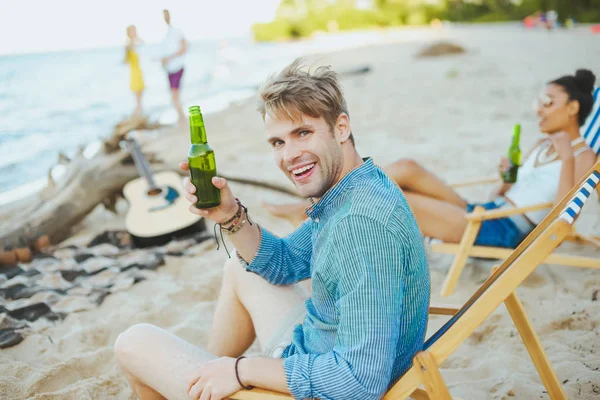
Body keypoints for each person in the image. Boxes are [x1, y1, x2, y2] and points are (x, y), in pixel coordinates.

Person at [114, 60, 430, 400]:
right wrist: (230, 215)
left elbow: (358, 382)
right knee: (238, 265)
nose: (290, 155)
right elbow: (286, 263)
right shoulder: (355, 190)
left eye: (303, 133)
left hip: (324, 382)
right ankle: (206, 381)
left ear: (341, 128)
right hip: (316, 348)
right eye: (278, 143)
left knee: (133, 342)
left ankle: (206, 380)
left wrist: (241, 369)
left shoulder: (361, 226)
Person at [264, 69, 597, 249]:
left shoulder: (584, 157)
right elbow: (505, 194)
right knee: (408, 167)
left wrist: (567, 158)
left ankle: (313, 212)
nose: (539, 107)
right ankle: (320, 204)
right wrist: (508, 178)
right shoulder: (542, 143)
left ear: (572, 108)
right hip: (492, 210)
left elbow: (560, 224)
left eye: (548, 102)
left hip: (507, 230)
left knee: (396, 199)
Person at [161, 9, 187, 123]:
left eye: (166, 15)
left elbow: (184, 48)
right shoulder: (166, 34)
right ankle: (181, 117)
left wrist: (169, 58)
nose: (165, 18)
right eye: (163, 16)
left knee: (174, 95)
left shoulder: (177, 31)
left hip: (177, 67)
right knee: (175, 96)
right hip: (169, 69)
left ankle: (182, 117)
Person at [124, 25, 144, 117]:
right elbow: (125, 61)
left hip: (137, 72)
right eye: (134, 31)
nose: (135, 32)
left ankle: (137, 116)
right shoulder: (129, 45)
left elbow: (143, 42)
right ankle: (135, 117)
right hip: (135, 73)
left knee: (139, 98)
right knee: (138, 99)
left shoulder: (132, 44)